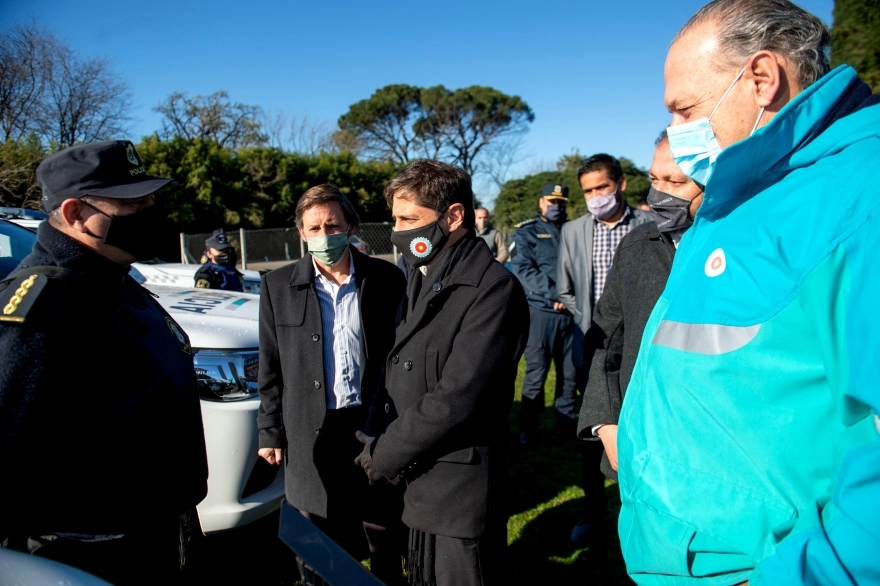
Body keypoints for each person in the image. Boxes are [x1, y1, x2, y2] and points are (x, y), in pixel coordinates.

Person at [616, 1, 880, 584]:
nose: (678, 132)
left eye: (685, 109)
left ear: (761, 79)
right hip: (687, 558)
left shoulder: (862, 189)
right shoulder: (741, 192)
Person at [0, 140, 208, 585]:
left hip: (158, 531)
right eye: (135, 202)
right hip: (87, 557)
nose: (152, 208)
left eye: (151, 196)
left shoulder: (114, 279)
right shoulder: (42, 309)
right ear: (76, 214)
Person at [354, 159, 529, 586]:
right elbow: (395, 361)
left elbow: (459, 397)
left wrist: (384, 454)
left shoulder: (493, 289)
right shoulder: (420, 273)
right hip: (419, 480)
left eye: (410, 219)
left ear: (453, 216)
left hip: (458, 494)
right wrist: (374, 430)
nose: (398, 231)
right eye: (395, 218)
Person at [256, 184, 406, 583]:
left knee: (382, 527)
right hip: (311, 429)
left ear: (352, 227)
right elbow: (270, 366)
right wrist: (270, 430)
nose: (325, 236)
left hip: (370, 425)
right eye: (314, 228)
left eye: (333, 225)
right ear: (301, 233)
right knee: (317, 531)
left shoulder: (387, 280)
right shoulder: (277, 286)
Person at [577, 132, 703, 481]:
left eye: (675, 181)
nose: (659, 193)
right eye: (654, 179)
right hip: (641, 445)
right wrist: (604, 422)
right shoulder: (638, 246)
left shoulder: (743, 249)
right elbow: (606, 341)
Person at [556, 154, 652, 544]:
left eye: (602, 187)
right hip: (592, 350)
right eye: (588, 191)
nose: (596, 196)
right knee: (593, 433)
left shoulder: (650, 224)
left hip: (645, 351)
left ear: (621, 184)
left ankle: (647, 517)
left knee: (647, 431)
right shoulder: (574, 231)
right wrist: (598, 323)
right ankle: (594, 513)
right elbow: (565, 288)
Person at [511, 184, 576, 447]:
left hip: (572, 317)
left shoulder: (576, 231)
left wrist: (570, 298)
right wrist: (557, 295)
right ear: (541, 202)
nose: (556, 206)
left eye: (561, 202)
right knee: (536, 375)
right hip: (540, 314)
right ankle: (528, 427)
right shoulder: (526, 232)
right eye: (551, 201)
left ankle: (567, 425)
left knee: (570, 375)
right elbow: (523, 270)